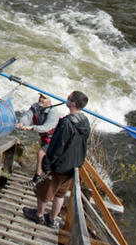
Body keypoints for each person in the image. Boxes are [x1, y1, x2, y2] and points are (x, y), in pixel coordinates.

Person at [23, 91, 90, 228]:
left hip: (60, 166)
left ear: (73, 103)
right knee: (60, 194)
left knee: (43, 191)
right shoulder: (85, 120)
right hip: (74, 165)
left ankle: (39, 215)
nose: (67, 98)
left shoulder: (67, 122)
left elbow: (57, 145)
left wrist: (47, 164)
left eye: (69, 98)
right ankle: (52, 219)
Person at [16, 93, 61, 182]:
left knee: (41, 153)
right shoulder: (36, 106)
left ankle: (37, 179)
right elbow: (28, 116)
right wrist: (22, 123)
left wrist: (33, 127)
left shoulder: (53, 112)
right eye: (40, 97)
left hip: (55, 139)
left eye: (44, 98)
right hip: (45, 139)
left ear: (50, 101)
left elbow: (47, 127)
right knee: (45, 160)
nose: (40, 99)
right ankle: (44, 178)